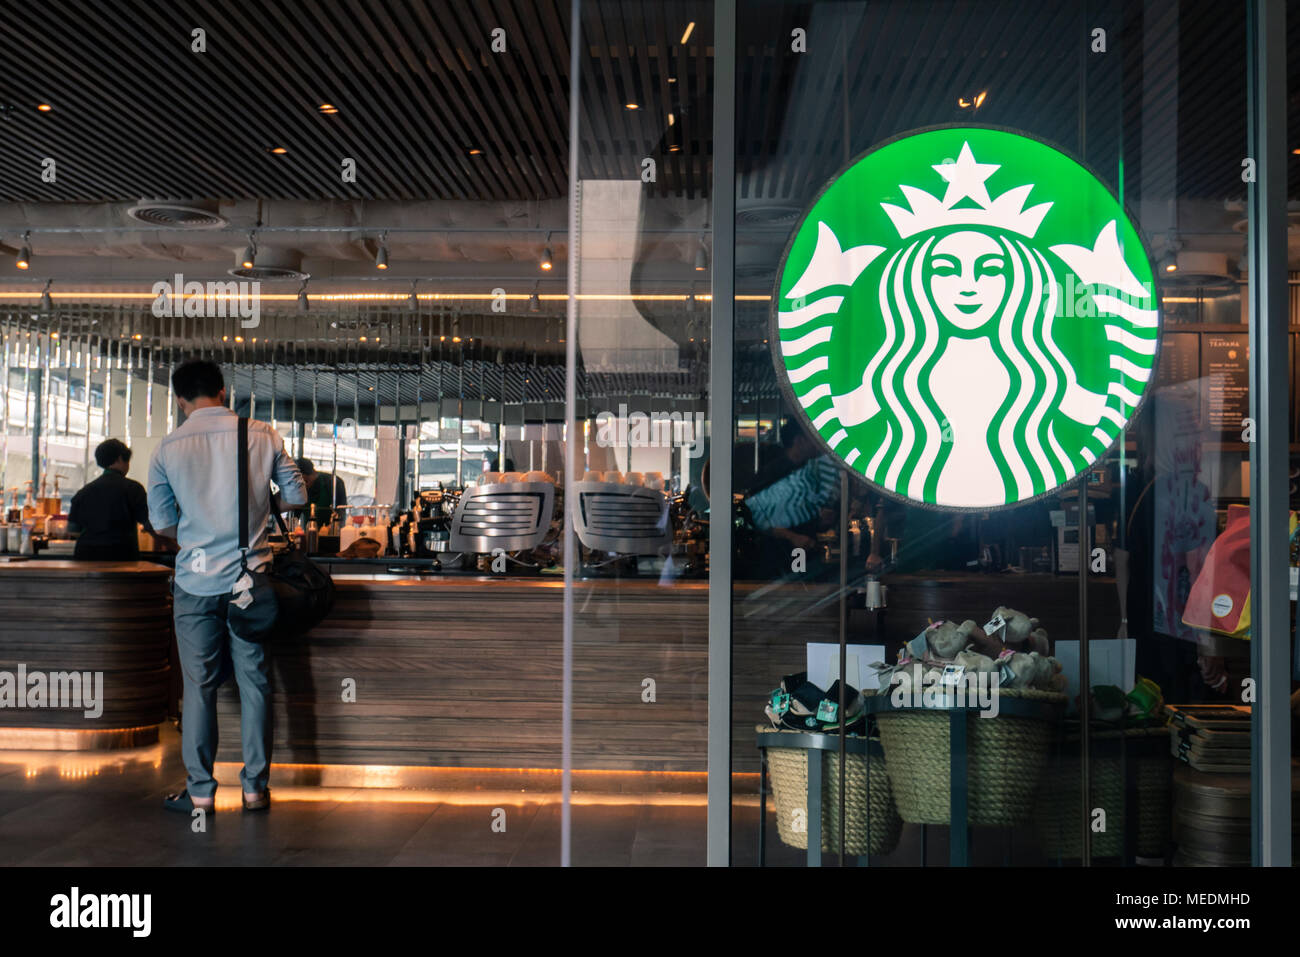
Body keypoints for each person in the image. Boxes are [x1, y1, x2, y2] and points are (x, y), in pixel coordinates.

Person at [147, 359, 307, 815]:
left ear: (181, 400)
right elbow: (296, 497)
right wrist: (258, 507)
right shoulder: (262, 434)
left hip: (195, 582)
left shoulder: (167, 447)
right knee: (256, 683)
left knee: (199, 687)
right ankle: (254, 788)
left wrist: (199, 535)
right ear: (223, 390)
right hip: (249, 580)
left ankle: (200, 791)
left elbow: (162, 522)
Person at [67, 438, 153, 560]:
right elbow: (150, 524)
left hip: (86, 559)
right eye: (127, 460)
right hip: (122, 559)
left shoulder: (83, 492)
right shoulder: (133, 489)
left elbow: (73, 530)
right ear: (119, 459)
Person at [294, 457, 347, 526]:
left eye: (306, 481)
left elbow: (341, 512)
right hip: (308, 532)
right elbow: (294, 517)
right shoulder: (298, 488)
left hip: (331, 532)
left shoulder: (333, 483)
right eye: (300, 483)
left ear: (314, 473)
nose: (304, 486)